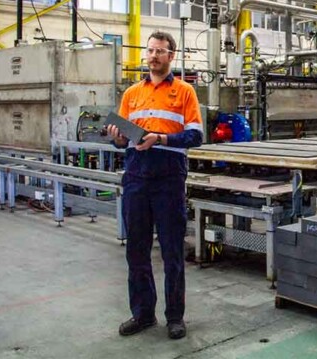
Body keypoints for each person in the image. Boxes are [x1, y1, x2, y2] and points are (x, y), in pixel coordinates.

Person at [107, 30, 203, 339]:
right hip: (136, 178)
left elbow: (196, 136)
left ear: (171, 56)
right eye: (150, 50)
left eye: (160, 51)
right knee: (136, 250)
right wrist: (118, 137)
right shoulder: (131, 93)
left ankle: (175, 317)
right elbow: (122, 141)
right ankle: (143, 314)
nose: (153, 56)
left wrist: (160, 138)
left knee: (172, 251)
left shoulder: (185, 92)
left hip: (168, 180)